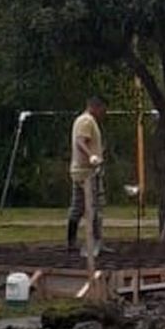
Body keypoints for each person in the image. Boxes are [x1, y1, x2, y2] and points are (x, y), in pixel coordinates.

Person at [66, 95, 107, 253]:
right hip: (87, 172)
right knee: (94, 207)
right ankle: (95, 244)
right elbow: (80, 141)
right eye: (103, 109)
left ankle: (72, 242)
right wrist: (92, 156)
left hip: (79, 171)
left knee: (78, 206)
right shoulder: (87, 121)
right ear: (96, 106)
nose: (104, 113)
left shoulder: (81, 120)